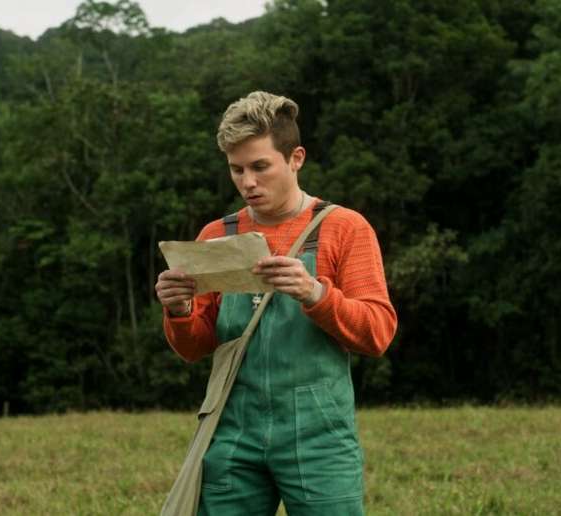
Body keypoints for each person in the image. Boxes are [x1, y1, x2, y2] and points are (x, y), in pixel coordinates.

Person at [155, 91, 397, 515]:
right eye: (237, 169)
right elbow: (196, 348)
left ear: (296, 158)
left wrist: (315, 294)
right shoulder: (217, 234)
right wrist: (179, 311)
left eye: (260, 166)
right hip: (233, 432)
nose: (247, 182)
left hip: (320, 436)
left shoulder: (344, 228)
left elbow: (377, 334)